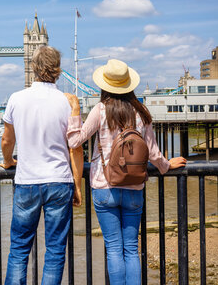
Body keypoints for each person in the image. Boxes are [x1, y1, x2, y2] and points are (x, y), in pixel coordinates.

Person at [65, 59, 186, 285]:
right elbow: (152, 152)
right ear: (129, 85)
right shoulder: (141, 112)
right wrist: (167, 166)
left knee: (113, 248)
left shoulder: (100, 110)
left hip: (104, 188)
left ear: (104, 85)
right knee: (131, 248)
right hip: (134, 188)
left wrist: (74, 111)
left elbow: (75, 141)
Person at [0, 46, 84, 285]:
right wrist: (77, 186)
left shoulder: (16, 98)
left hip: (27, 181)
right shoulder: (67, 102)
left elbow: (7, 140)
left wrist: (8, 161)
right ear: (58, 69)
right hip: (59, 181)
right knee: (55, 251)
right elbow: (75, 148)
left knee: (19, 250)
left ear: (33, 68)